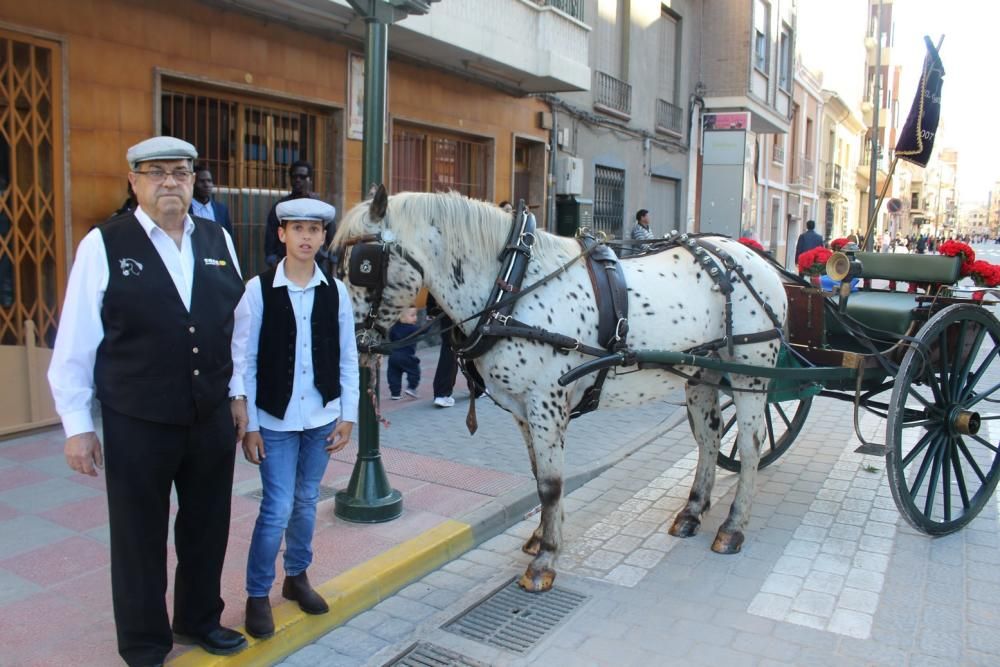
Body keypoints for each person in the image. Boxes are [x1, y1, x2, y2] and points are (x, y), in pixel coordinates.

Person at [47, 136, 250, 666]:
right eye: (155, 172)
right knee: (139, 535)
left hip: (208, 414)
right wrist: (76, 424)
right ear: (134, 181)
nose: (169, 183)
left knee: (208, 526)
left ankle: (198, 618)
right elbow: (75, 341)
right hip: (138, 418)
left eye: (180, 172)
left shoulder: (217, 238)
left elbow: (239, 326)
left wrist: (237, 393)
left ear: (192, 181)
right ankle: (143, 643)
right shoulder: (104, 244)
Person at [240, 198, 358, 639]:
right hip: (275, 418)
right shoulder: (258, 289)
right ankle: (256, 594)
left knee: (307, 502)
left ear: (324, 237)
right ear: (282, 234)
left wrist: (347, 416)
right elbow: (245, 361)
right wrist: (249, 423)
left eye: (315, 229)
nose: (307, 237)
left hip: (322, 417)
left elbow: (347, 356)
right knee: (276, 508)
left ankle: (296, 577)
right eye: (298, 229)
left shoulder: (337, 290)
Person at [264, 161, 330, 269]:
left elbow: (332, 241)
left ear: (310, 180)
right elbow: (270, 238)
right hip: (286, 265)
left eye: (303, 177)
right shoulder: (281, 207)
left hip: (317, 265)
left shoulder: (321, 208)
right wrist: (273, 260)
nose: (298, 180)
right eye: (295, 177)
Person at [387, 307, 421, 400]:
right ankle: (411, 387)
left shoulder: (394, 328)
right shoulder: (412, 328)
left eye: (416, 315)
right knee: (414, 371)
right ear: (401, 318)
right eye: (412, 315)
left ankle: (395, 393)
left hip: (393, 356)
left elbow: (391, 337)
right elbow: (424, 330)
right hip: (407, 356)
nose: (415, 318)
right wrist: (430, 323)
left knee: (393, 374)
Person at [189, 165, 233, 235]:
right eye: (201, 181)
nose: (207, 185)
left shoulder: (222, 210)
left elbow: (228, 236)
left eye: (209, 181)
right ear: (192, 183)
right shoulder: (184, 210)